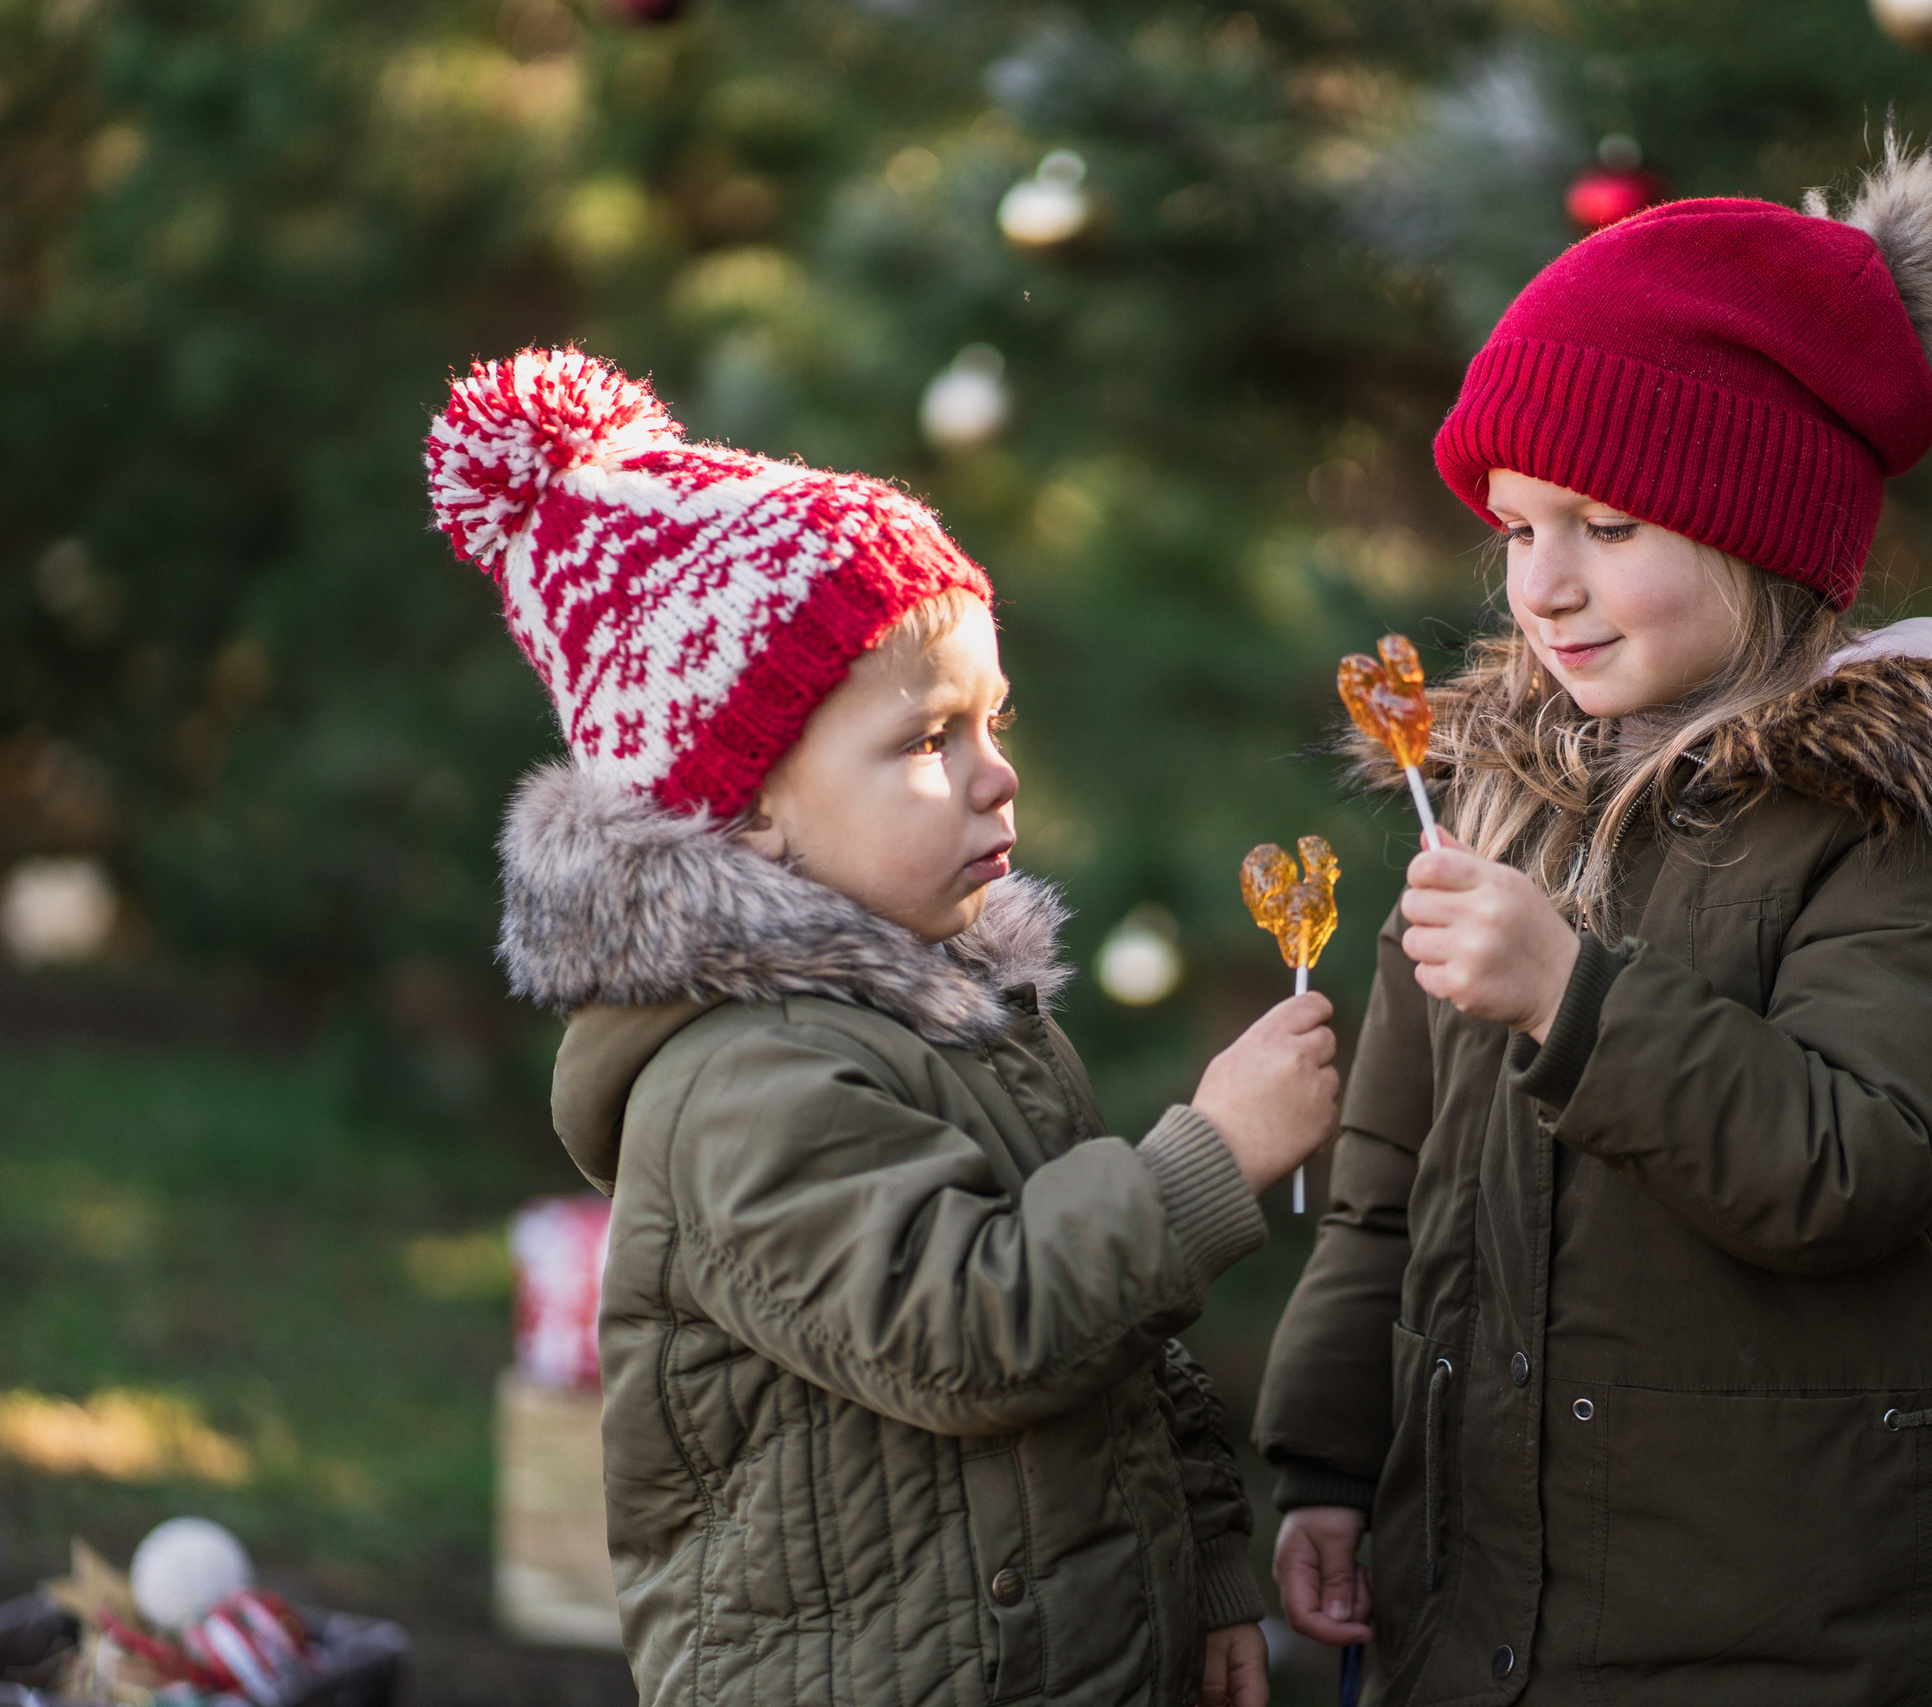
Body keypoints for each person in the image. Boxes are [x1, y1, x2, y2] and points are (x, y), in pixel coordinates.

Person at [1251, 136, 1932, 1707]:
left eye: (1606, 528)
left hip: (1802, 1637)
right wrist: (1328, 1461)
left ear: (1759, 528)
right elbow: (1388, 1190)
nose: (1542, 585)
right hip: (1484, 1624)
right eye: (1515, 525)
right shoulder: (1492, 802)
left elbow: (1857, 1156)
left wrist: (1574, 996)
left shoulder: (1916, 815)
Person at [426, 348, 1339, 1707]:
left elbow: (1125, 1356)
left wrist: (1207, 1574)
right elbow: (973, 1331)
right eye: (929, 741)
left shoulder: (973, 1011)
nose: (998, 774)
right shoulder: (740, 1080)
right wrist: (1206, 1156)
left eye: (994, 721)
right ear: (747, 808)